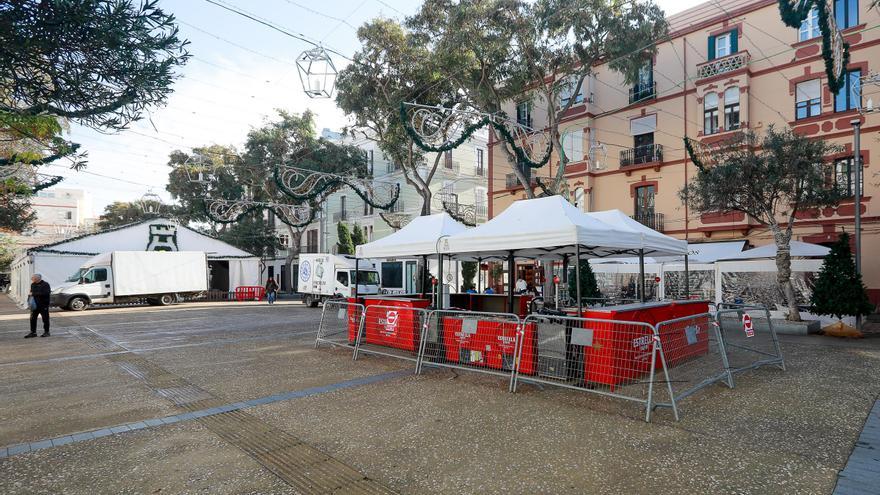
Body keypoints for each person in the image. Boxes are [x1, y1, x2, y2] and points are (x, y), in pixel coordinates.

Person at [25, 274, 51, 338]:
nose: (31, 279)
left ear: (37, 278)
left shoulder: (45, 284)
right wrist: (29, 300)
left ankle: (46, 332)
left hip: (43, 305)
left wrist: (34, 294)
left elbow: (46, 293)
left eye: (33, 278)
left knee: (45, 319)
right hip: (34, 305)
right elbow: (31, 293)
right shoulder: (33, 284)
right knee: (32, 319)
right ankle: (33, 332)